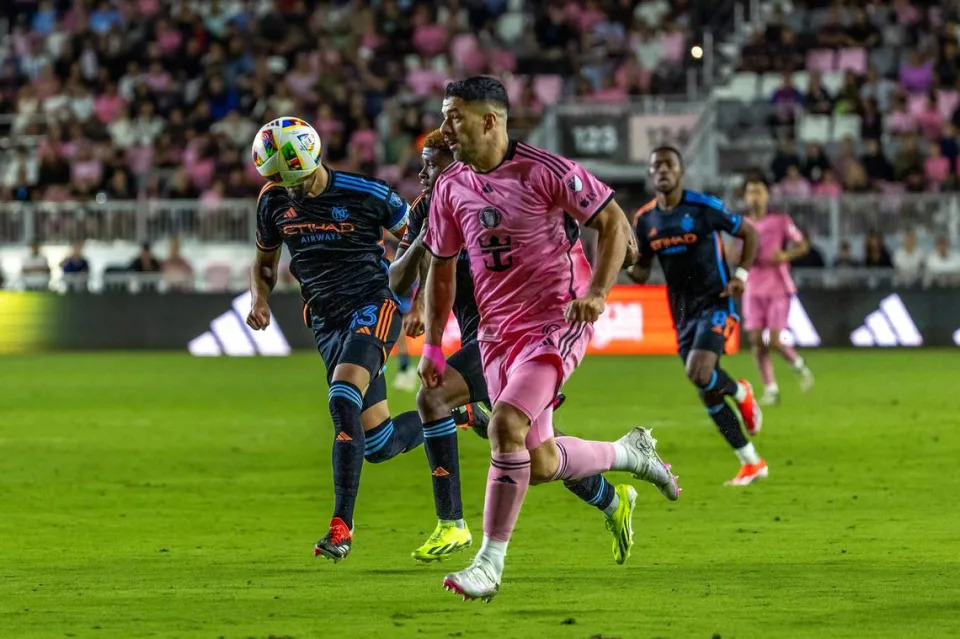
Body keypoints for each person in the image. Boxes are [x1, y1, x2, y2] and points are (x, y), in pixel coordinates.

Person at [420, 77, 679, 601]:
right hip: (495, 336)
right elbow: (441, 270)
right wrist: (431, 344)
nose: (446, 127)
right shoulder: (450, 187)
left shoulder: (545, 171)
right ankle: (630, 453)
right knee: (537, 463)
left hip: (555, 322)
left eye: (455, 116)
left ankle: (489, 564)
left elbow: (612, 223)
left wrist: (600, 292)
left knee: (505, 424)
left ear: (490, 120)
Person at [391, 130, 635, 566]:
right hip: (484, 341)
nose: (424, 174)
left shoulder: (516, 188)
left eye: (433, 163)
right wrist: (424, 240)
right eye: (422, 164)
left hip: (527, 333)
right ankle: (613, 499)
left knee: (436, 399)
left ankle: (454, 523)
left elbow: (617, 231)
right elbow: (404, 277)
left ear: (462, 155)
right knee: (539, 456)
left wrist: (614, 259)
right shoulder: (431, 206)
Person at [246, 121, 426, 563]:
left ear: (314, 160)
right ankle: (451, 414)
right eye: (277, 180)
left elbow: (424, 240)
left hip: (372, 305)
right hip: (326, 322)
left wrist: (418, 302)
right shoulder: (272, 202)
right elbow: (265, 263)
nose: (290, 190)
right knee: (380, 443)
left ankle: (341, 527)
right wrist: (260, 297)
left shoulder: (369, 194)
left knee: (342, 397)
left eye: (295, 179)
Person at [628, 147, 766, 486]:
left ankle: (742, 392)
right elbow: (642, 272)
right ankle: (751, 462)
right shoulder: (645, 220)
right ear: (650, 173)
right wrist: (622, 258)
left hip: (716, 301)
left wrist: (741, 277)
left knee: (699, 372)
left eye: (668, 164)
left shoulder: (703, 208)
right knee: (707, 389)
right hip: (681, 312)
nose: (662, 170)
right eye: (656, 165)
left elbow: (750, 233)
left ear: (681, 171)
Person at [740, 176, 814, 406]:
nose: (755, 196)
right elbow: (735, 252)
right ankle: (771, 389)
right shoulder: (741, 224)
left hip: (777, 285)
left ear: (767, 195)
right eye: (751, 191)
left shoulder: (781, 221)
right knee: (755, 340)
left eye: (758, 191)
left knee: (773, 340)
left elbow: (802, 245)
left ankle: (799, 366)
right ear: (745, 197)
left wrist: (785, 255)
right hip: (752, 285)